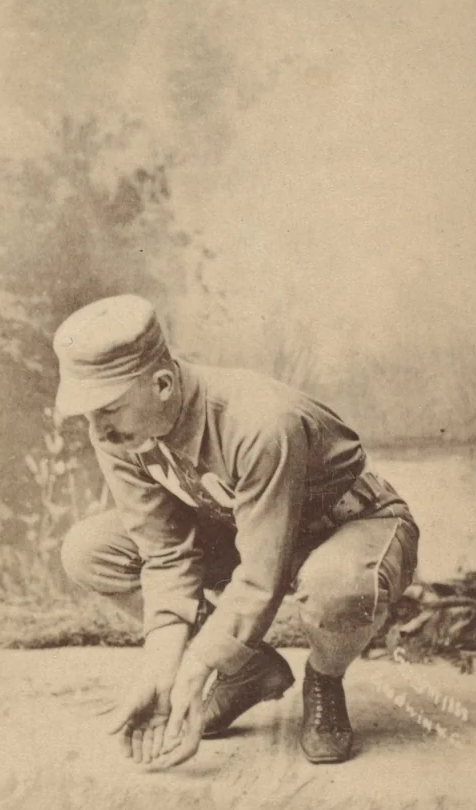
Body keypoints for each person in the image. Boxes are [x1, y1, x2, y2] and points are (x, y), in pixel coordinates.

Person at [53, 294, 419, 770]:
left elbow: (260, 574)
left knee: (337, 588)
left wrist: (196, 671)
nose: (98, 432)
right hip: (249, 527)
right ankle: (247, 670)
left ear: (162, 384)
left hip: (349, 523)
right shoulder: (121, 431)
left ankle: (324, 679)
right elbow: (164, 554)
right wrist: (163, 674)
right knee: (90, 550)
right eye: (88, 415)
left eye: (108, 410)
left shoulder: (261, 422)